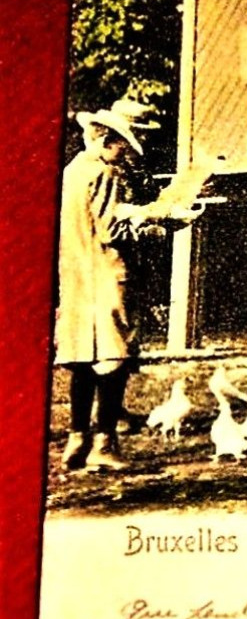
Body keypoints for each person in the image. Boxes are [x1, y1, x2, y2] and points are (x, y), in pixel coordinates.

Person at [55, 104, 167, 471]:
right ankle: (105, 442)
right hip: (106, 275)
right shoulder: (105, 173)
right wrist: (155, 226)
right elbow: (111, 230)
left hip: (78, 276)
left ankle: (77, 437)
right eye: (123, 146)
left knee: (84, 361)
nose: (126, 153)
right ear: (106, 140)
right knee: (113, 360)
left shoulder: (74, 170)